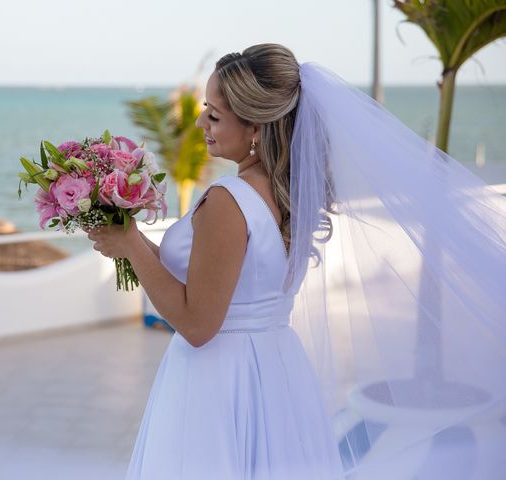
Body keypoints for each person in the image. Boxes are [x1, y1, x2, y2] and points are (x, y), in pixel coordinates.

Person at [88, 43, 506, 480]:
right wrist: (129, 244)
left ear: (255, 126)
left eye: (213, 114)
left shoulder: (226, 203)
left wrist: (132, 242)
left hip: (220, 379)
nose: (200, 123)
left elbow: (197, 325)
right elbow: (227, 283)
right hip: (274, 366)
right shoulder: (286, 192)